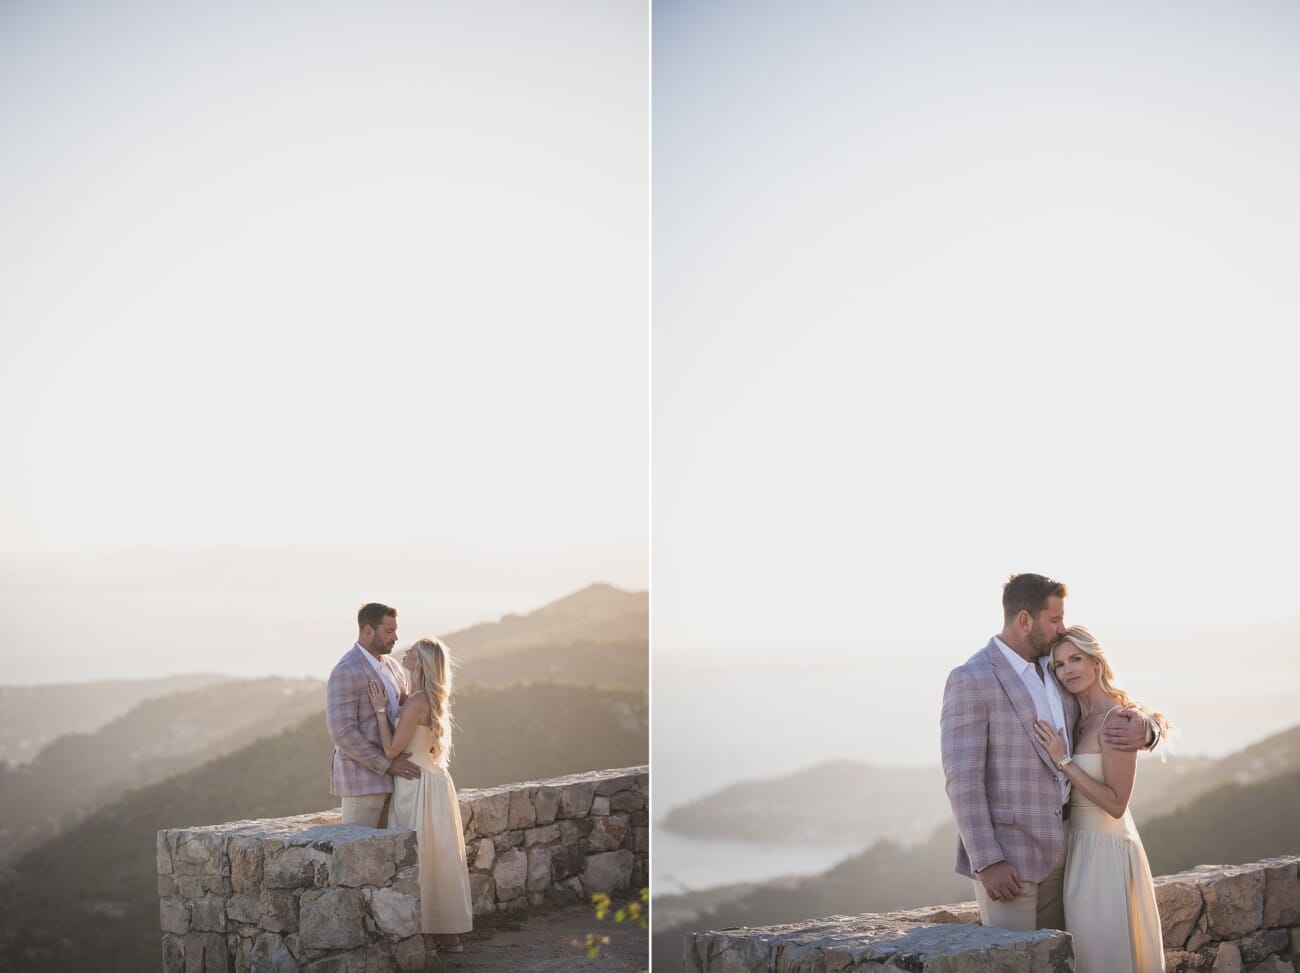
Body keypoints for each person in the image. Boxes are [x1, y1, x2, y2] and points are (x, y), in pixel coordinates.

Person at [940, 573, 1160, 931]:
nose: (1062, 629)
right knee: (1013, 957)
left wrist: (1147, 729)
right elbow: (962, 781)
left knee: (1060, 955)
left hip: (1069, 856)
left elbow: (1103, 709)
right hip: (1010, 861)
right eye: (1055, 619)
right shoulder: (972, 678)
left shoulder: (1056, 670)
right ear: (1025, 620)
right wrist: (987, 861)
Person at [1034, 626, 1168, 973]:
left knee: (1102, 953)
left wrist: (1064, 761)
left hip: (1106, 850)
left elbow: (1116, 803)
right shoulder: (1076, 716)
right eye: (1060, 665)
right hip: (1078, 846)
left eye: (1076, 659)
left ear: (1096, 662)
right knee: (1086, 953)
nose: (1068, 670)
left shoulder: (1117, 720)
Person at [368, 636, 473, 955]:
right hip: (434, 780)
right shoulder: (424, 697)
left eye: (413, 650)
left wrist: (380, 710)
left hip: (417, 786)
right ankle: (447, 934)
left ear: (422, 662)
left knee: (421, 856)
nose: (406, 651)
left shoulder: (416, 702)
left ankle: (428, 930)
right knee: (437, 855)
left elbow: (391, 750)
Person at [325, 603, 421, 827]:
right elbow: (342, 732)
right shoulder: (346, 670)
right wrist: (386, 764)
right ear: (368, 631)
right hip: (362, 785)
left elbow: (404, 712)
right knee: (357, 849)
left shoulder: (393, 667)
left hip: (398, 784)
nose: (395, 637)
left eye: (395, 631)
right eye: (389, 631)